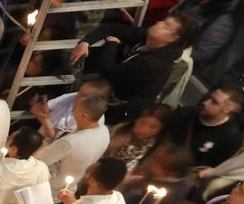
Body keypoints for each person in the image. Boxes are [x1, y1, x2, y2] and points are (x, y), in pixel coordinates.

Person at [70, 12, 198, 122]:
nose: (159, 23)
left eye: (166, 26)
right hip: (110, 94)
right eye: (163, 21)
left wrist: (111, 44)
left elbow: (108, 71)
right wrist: (86, 42)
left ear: (172, 39)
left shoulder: (153, 64)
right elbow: (111, 27)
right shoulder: (150, 38)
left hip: (119, 110)